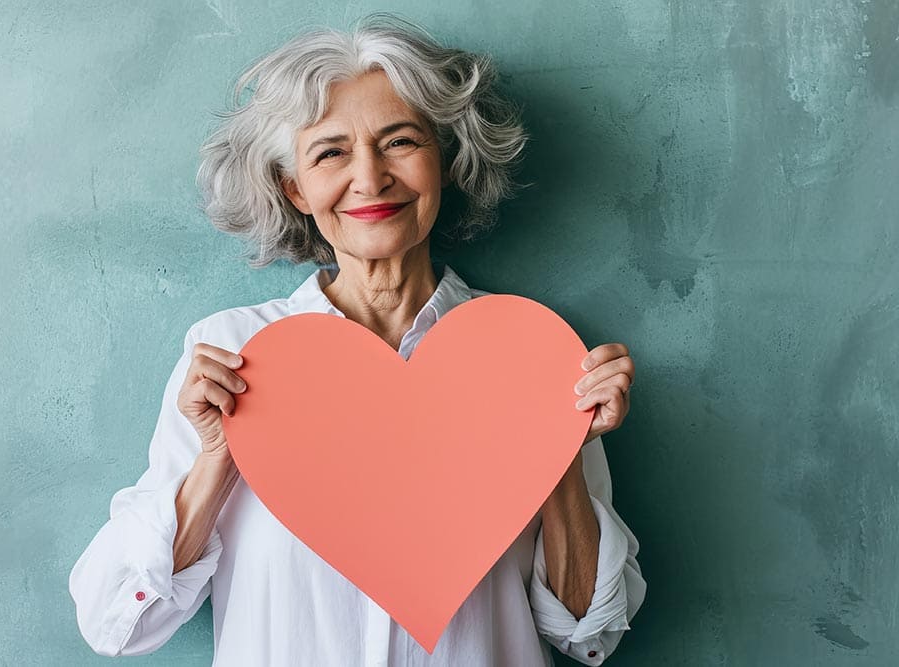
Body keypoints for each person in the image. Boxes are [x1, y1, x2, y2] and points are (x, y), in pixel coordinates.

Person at [69, 15, 645, 666]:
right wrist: (215, 458)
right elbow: (114, 621)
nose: (370, 179)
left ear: (446, 159)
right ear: (296, 187)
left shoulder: (528, 354)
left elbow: (590, 632)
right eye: (331, 152)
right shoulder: (232, 354)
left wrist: (557, 450)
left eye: (399, 141)